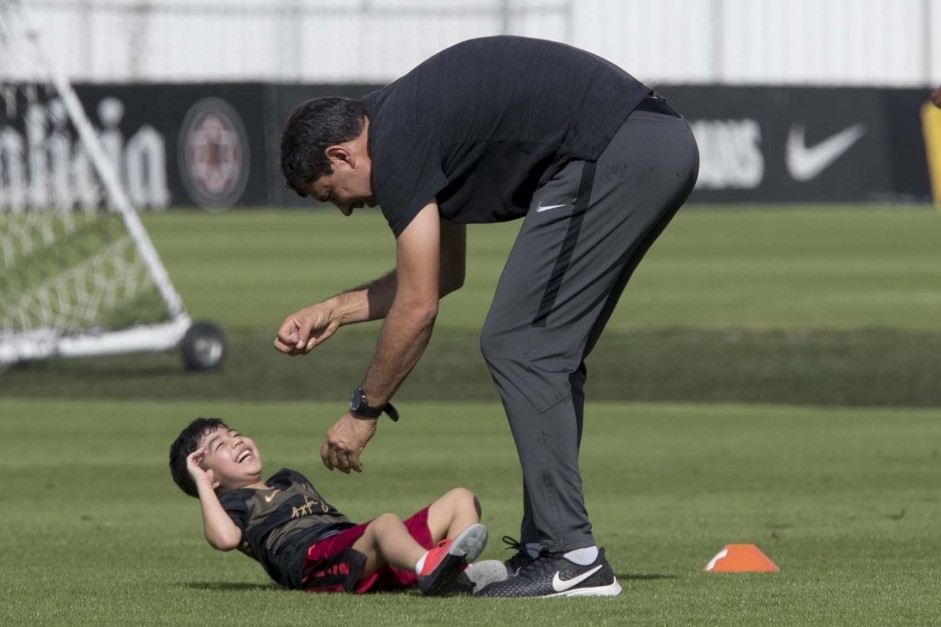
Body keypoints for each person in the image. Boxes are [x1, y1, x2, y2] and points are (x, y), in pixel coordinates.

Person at [276, 35, 699, 597]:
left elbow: (420, 304)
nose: (348, 208)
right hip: (641, 143)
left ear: (341, 155)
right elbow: (443, 274)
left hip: (618, 146)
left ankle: (573, 557)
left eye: (332, 195)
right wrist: (335, 309)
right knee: (541, 350)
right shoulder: (408, 125)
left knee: (520, 343)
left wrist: (363, 411)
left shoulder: (398, 141)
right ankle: (549, 549)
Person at [168, 417, 505, 595]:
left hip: (354, 548)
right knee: (385, 523)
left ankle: (451, 575)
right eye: (220, 445)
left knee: (461, 497)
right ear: (209, 475)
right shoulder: (232, 504)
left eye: (235, 433)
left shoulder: (288, 478)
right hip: (313, 564)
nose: (236, 441)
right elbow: (224, 539)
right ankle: (431, 568)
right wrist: (199, 482)